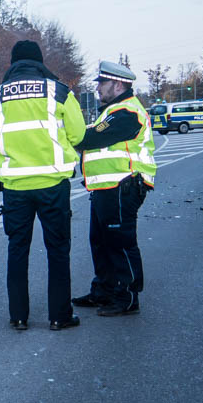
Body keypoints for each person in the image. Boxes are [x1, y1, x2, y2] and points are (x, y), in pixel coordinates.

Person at [0, 40, 86, 331]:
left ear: (13, 64)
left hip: (14, 188)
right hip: (53, 186)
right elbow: (78, 135)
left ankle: (19, 317)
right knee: (58, 250)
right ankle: (59, 316)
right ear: (39, 62)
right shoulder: (59, 92)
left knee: (17, 249)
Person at [71, 60, 156, 316]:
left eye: (102, 84)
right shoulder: (112, 110)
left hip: (123, 185)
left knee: (120, 242)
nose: (98, 89)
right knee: (100, 242)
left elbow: (91, 137)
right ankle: (104, 291)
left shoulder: (126, 112)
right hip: (106, 188)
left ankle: (127, 298)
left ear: (118, 84)